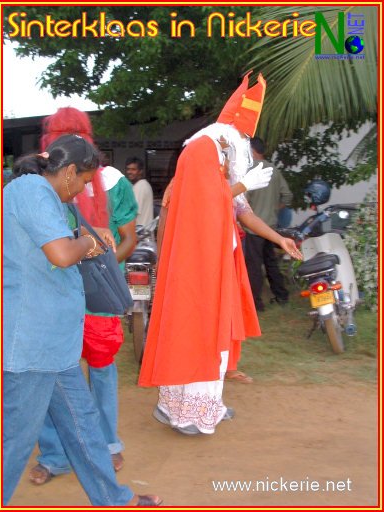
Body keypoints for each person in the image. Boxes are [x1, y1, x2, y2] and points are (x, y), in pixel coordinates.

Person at [138, 72, 302, 435]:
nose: (244, 145)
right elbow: (199, 203)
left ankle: (205, 404)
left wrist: (279, 239)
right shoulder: (202, 150)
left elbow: (240, 210)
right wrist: (242, 184)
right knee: (197, 333)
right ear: (228, 135)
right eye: (242, 139)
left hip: (215, 262)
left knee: (216, 334)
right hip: (196, 265)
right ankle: (188, 413)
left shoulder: (220, 155)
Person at [3, 134, 161, 506]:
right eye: (85, 182)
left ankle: (114, 499)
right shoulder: (32, 190)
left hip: (55, 343)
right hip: (33, 344)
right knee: (14, 443)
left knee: (84, 427)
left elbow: (50, 246)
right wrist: (90, 244)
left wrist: (84, 235)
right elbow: (60, 254)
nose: (81, 191)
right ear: (70, 171)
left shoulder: (48, 198)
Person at [29, 107, 138, 484]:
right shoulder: (37, 184)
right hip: (53, 294)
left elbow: (128, 239)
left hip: (95, 295)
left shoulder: (114, 182)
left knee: (101, 369)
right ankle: (56, 454)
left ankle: (106, 443)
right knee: (52, 372)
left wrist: (101, 264)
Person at [244, 136, 293, 312]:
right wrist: (274, 208)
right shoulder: (274, 170)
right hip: (271, 226)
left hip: (253, 228)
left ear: (252, 151)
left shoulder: (249, 172)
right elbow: (287, 196)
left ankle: (255, 303)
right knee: (271, 262)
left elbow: (243, 201)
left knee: (254, 266)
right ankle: (281, 295)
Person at [125, 157, 154, 226]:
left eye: (133, 169)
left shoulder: (140, 186)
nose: (129, 172)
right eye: (128, 169)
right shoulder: (140, 185)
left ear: (141, 171)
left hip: (140, 234)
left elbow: (131, 214)